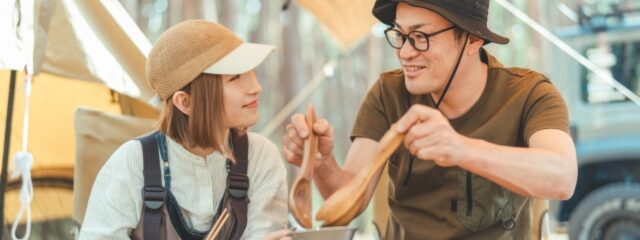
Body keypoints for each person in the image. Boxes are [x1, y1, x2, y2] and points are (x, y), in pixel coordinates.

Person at [282, 0, 578, 239]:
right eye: (399, 35)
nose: (405, 52)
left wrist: (460, 149)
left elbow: (562, 177)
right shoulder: (389, 93)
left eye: (420, 37)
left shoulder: (528, 93)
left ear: (473, 38)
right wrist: (321, 162)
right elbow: (349, 203)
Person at [80, 20, 287, 239]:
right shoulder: (132, 163)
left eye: (250, 71)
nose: (255, 87)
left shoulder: (260, 156)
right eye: (235, 78)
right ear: (185, 102)